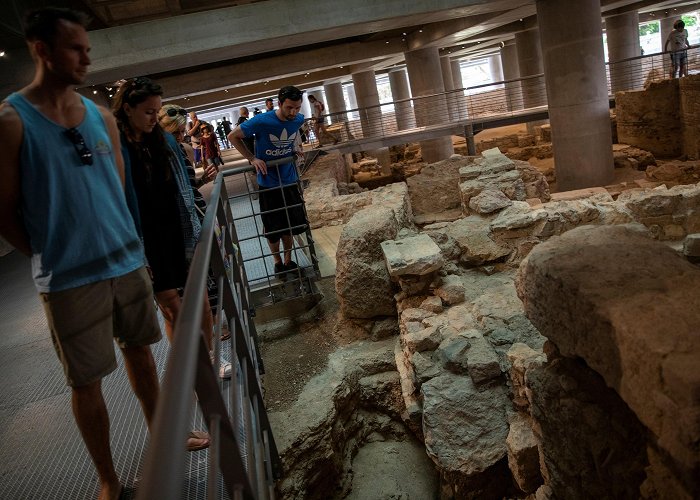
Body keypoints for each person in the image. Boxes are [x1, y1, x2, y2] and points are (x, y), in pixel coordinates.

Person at [0, 8, 207, 500]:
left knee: (143, 357)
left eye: (89, 49)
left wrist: (132, 249)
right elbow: (3, 208)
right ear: (42, 50)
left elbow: (117, 191)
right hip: (70, 278)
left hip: (126, 264)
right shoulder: (12, 121)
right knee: (87, 381)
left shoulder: (98, 117)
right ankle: (109, 479)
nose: (86, 59)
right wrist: (50, 251)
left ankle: (167, 439)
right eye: (76, 49)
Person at [112, 78, 231, 379]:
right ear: (127, 109)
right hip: (148, 241)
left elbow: (184, 189)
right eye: (149, 112)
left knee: (202, 304)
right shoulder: (117, 147)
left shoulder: (163, 142)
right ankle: (190, 366)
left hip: (180, 232)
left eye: (158, 111)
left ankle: (207, 358)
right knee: (174, 310)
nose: (155, 118)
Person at [228, 86, 308, 278]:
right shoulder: (262, 121)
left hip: (288, 180)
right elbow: (233, 136)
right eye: (289, 107)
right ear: (279, 103)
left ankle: (288, 261)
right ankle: (277, 263)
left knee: (290, 225)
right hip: (268, 183)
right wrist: (252, 158)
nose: (294, 112)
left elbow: (290, 137)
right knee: (273, 228)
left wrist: (293, 149)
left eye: (297, 107)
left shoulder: (298, 119)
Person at [236, 106, 259, 196]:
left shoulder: (239, 121)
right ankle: (254, 169)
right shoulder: (244, 121)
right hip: (248, 141)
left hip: (245, 141)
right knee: (252, 154)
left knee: (250, 154)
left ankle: (254, 169)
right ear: (246, 112)